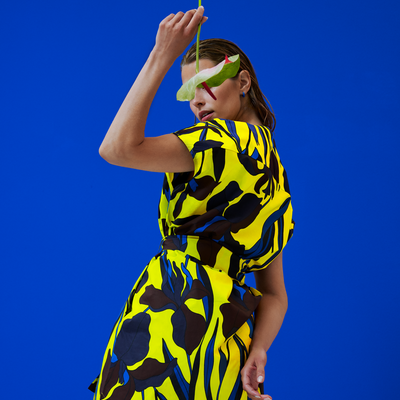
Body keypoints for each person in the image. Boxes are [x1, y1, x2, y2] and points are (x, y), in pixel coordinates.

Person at [89, 6, 294, 400]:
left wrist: (160, 55)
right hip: (229, 338)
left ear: (243, 81)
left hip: (170, 316)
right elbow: (274, 295)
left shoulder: (218, 139)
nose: (197, 102)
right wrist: (258, 352)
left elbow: (116, 149)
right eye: (188, 92)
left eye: (206, 83)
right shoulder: (276, 178)